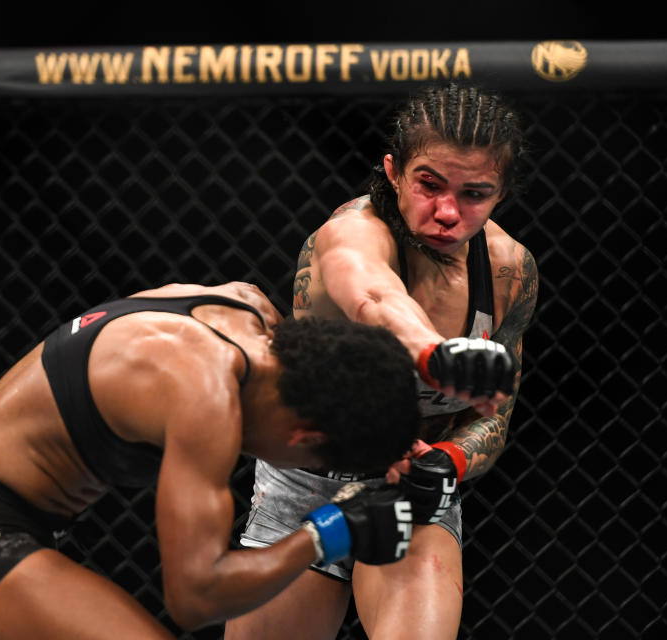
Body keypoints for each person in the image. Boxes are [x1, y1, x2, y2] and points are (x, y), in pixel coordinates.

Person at [0, 280, 439, 640]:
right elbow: (195, 597)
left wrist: (394, 445)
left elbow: (350, 374)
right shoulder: (203, 392)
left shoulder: (245, 310)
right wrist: (328, 534)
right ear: (304, 437)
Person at [226, 83, 539, 639]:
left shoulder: (510, 271)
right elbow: (372, 297)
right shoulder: (350, 233)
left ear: (501, 195)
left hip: (410, 489)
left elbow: (495, 412)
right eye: (429, 184)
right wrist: (433, 353)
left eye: (475, 194)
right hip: (304, 478)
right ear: (394, 172)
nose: (447, 212)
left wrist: (446, 463)